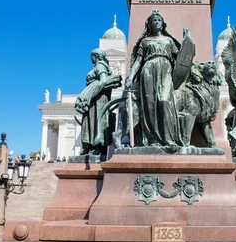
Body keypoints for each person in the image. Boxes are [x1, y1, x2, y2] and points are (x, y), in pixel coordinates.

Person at [125, 10, 181, 149]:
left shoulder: (169, 40)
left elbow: (180, 57)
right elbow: (138, 60)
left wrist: (186, 42)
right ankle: (152, 139)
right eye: (154, 20)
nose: (156, 22)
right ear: (149, 24)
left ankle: (169, 139)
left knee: (164, 101)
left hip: (165, 69)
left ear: (163, 24)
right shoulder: (145, 41)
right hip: (148, 70)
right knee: (149, 105)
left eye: (159, 20)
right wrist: (131, 77)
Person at [75, 49, 122, 155]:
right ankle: (87, 146)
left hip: (98, 98)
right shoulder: (98, 66)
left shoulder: (101, 66)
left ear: (95, 56)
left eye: (92, 56)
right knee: (88, 122)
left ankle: (99, 146)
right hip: (94, 99)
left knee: (98, 120)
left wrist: (91, 93)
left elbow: (103, 81)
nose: (90, 58)